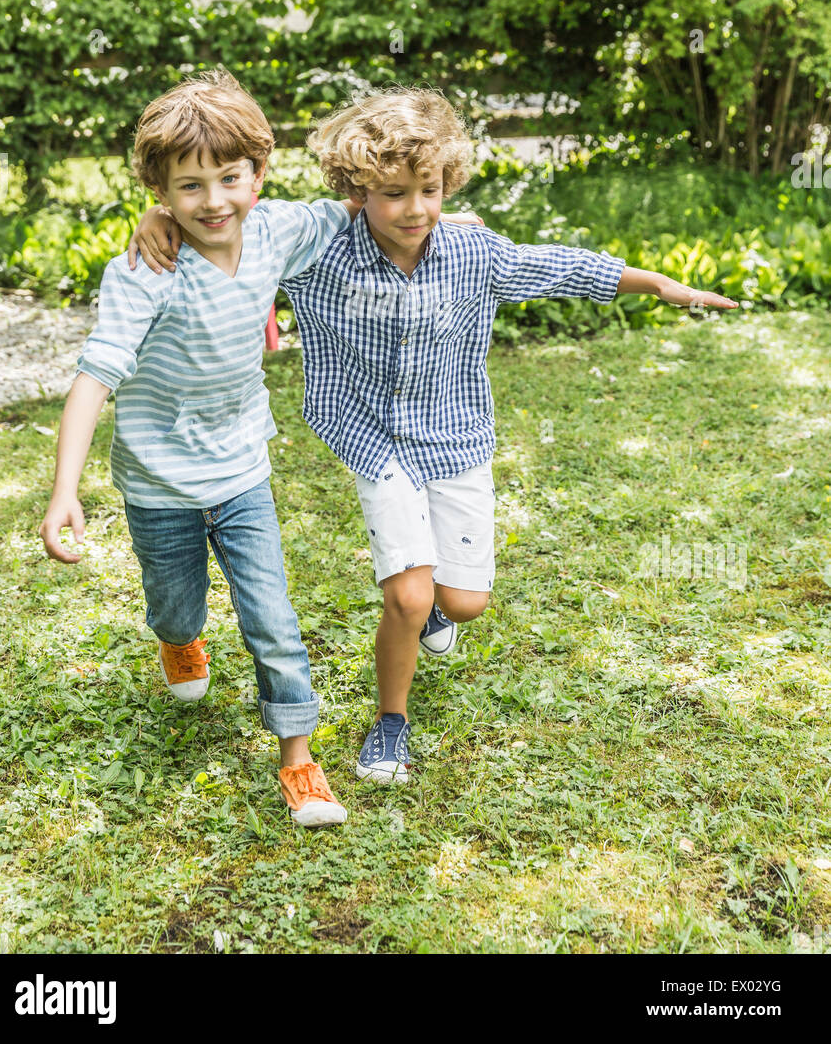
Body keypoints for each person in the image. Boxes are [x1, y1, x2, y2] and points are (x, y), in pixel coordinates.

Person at [129, 86, 739, 785]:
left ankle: (433, 618)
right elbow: (226, 211)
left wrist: (657, 284)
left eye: (428, 190)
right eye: (392, 193)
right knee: (410, 596)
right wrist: (157, 217)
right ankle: (391, 723)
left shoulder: (472, 251)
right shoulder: (321, 251)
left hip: (456, 440)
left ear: (447, 184)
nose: (414, 209)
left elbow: (558, 266)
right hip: (371, 438)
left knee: (461, 603)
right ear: (358, 191)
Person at [39, 68, 358, 827]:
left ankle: (299, 759)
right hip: (156, 480)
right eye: (189, 187)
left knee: (271, 614)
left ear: (259, 171)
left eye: (230, 177)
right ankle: (180, 643)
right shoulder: (147, 268)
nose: (214, 201)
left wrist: (450, 221)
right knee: (177, 608)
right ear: (160, 192)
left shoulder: (279, 227)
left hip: (243, 467)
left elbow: (370, 208)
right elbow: (94, 377)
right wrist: (64, 491)